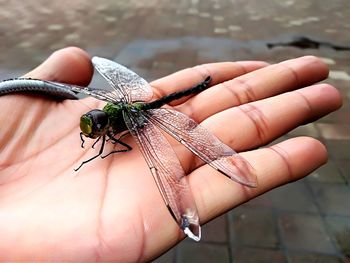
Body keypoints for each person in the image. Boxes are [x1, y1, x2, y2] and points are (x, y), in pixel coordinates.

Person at [0, 47, 342, 261]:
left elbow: (121, 145)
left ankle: (200, 86)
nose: (91, 128)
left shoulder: (126, 121)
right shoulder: (99, 115)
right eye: (92, 125)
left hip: (143, 108)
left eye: (95, 125)